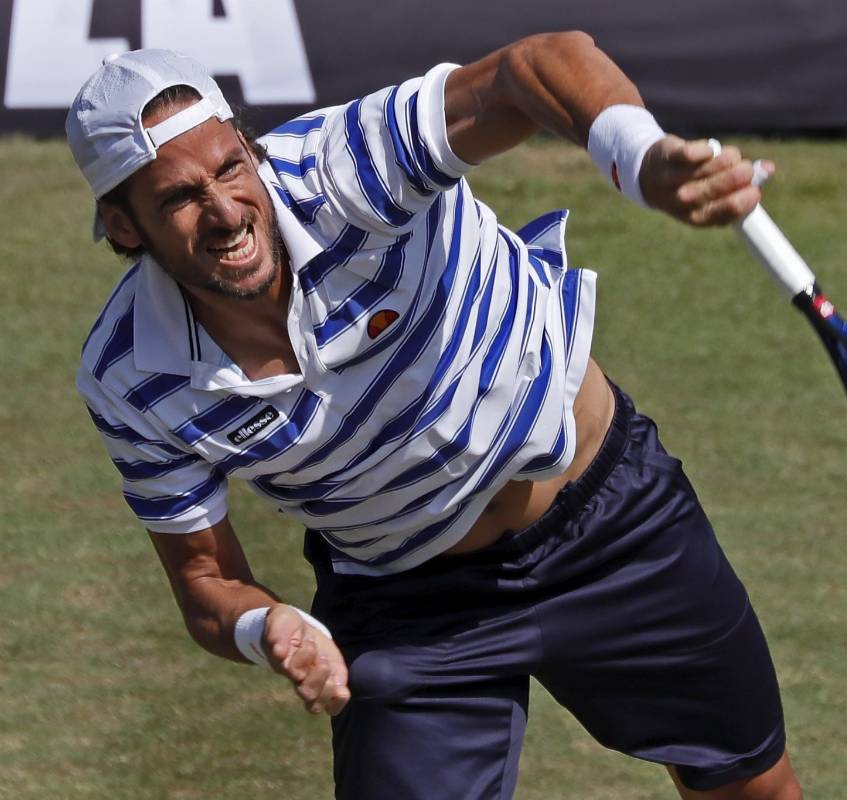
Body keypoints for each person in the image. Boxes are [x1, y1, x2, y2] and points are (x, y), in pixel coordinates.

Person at [69, 33, 801, 800]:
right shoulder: (129, 376)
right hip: (408, 602)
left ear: (251, 151)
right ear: (125, 228)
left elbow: (534, 66)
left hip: (613, 526)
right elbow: (206, 580)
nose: (224, 211)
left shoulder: (342, 167)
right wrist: (268, 628)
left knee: (752, 791)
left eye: (230, 167)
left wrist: (640, 157)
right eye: (179, 198)